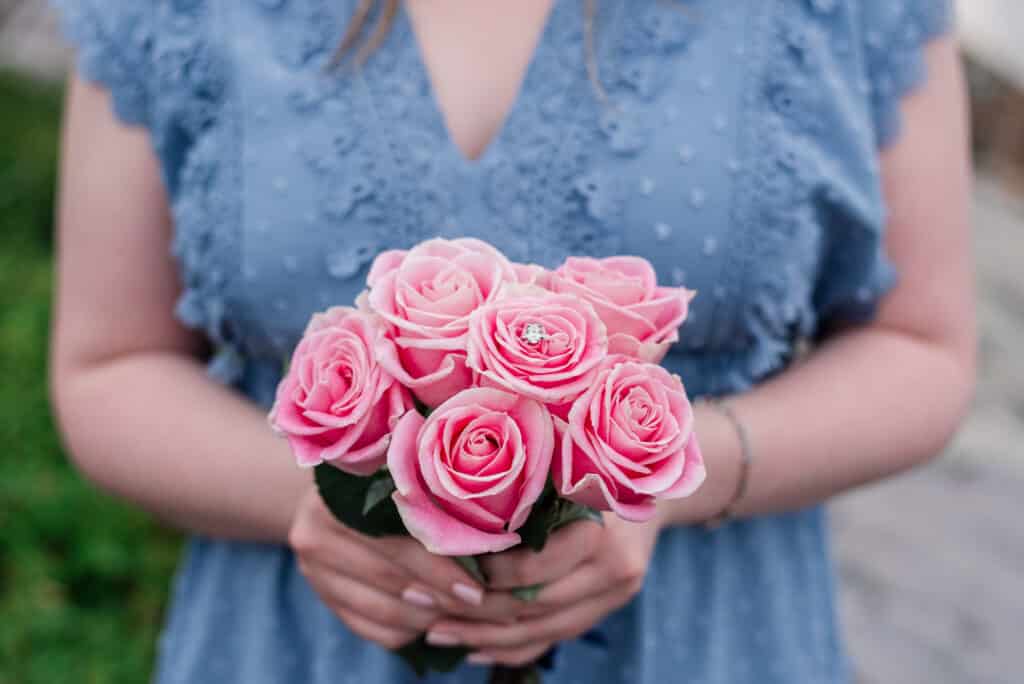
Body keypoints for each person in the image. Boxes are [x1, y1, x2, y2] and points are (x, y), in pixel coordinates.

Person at [48, 0, 975, 682]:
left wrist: (668, 483)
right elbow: (109, 364)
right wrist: (337, 503)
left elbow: (923, 345)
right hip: (297, 643)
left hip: (710, 639)